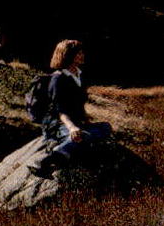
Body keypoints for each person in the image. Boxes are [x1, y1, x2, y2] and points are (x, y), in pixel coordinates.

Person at [29, 39, 113, 180]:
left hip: (75, 122)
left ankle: (61, 149)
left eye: (81, 52)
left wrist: (83, 122)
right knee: (82, 136)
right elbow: (59, 109)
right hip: (57, 123)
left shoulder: (80, 76)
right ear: (67, 55)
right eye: (78, 53)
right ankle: (45, 161)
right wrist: (72, 128)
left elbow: (78, 105)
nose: (82, 55)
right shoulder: (58, 79)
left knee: (105, 127)